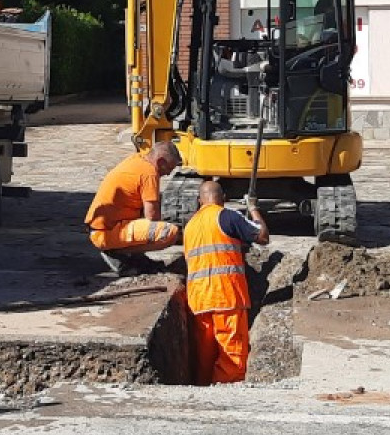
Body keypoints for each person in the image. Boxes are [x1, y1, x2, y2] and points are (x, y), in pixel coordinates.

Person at [181, 179, 268, 385]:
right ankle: (224, 393)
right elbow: (262, 236)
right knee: (232, 356)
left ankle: (202, 391)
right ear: (224, 199)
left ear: (199, 200)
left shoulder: (190, 225)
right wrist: (253, 209)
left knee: (204, 357)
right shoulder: (227, 216)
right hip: (226, 297)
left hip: (199, 301)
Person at [85, 140, 183, 274]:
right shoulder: (149, 173)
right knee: (169, 233)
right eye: (168, 169)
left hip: (100, 228)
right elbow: (152, 217)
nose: (168, 174)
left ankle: (134, 257)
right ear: (160, 161)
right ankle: (116, 253)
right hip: (106, 233)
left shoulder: (136, 160)